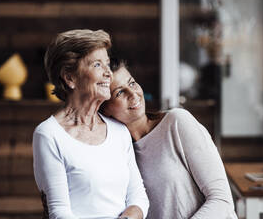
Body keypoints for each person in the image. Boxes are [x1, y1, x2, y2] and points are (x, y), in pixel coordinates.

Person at [32, 30, 149, 219]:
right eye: (97, 64)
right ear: (70, 78)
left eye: (107, 64)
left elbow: (138, 197)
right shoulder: (48, 134)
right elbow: (59, 213)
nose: (108, 73)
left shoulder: (119, 131)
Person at [101, 59, 237, 219]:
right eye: (119, 92)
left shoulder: (177, 122)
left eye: (132, 83)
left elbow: (222, 200)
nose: (133, 94)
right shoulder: (117, 151)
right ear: (104, 108)